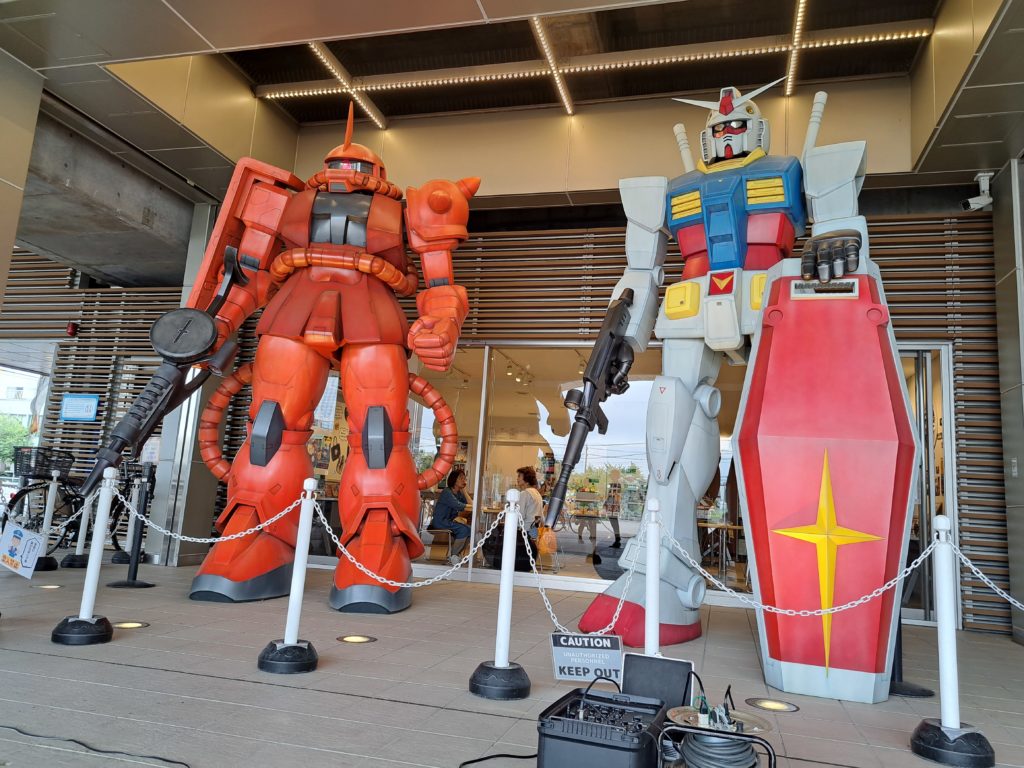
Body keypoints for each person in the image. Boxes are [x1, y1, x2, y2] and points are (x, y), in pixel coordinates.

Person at [430, 469, 471, 565]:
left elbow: (470, 504)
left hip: (449, 522)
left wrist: (464, 491)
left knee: (469, 529)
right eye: (461, 478)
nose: (464, 480)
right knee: (464, 529)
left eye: (464, 478)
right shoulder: (447, 492)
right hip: (440, 522)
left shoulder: (459, 493)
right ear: (454, 479)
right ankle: (454, 555)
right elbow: (459, 506)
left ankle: (456, 555)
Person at [516, 466, 544, 530]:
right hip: (535, 530)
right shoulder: (537, 493)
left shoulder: (525, 493)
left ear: (526, 478)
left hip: (525, 530)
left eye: (519, 476)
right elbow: (541, 515)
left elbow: (520, 515)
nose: (517, 479)